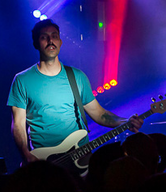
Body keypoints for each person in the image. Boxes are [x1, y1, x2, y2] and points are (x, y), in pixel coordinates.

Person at [7, 19, 143, 165]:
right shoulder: (22, 80)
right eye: (44, 37)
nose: (50, 40)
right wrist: (26, 155)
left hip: (81, 155)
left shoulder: (77, 77)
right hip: (45, 161)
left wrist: (125, 121)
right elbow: (18, 124)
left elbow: (99, 114)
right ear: (36, 43)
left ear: (60, 42)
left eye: (54, 36)